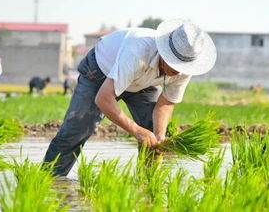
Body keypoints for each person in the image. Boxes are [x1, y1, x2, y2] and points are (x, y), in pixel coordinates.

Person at [44, 19, 216, 176]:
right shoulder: (138, 50)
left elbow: (166, 103)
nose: (177, 71)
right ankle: (49, 181)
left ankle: (148, 184)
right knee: (77, 130)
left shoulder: (185, 68)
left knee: (153, 135)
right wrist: (136, 131)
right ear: (165, 53)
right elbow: (103, 99)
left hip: (142, 82)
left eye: (182, 66)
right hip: (100, 72)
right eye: (174, 64)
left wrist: (159, 134)